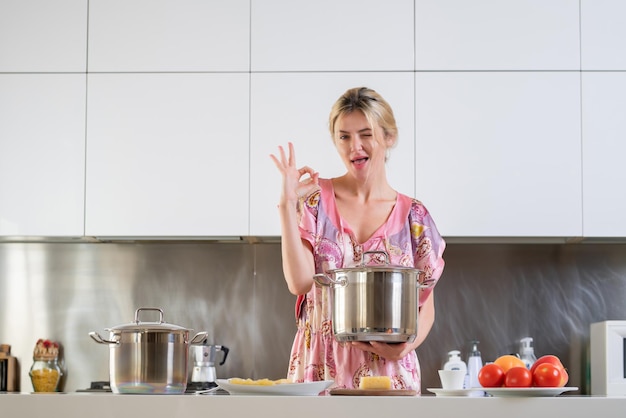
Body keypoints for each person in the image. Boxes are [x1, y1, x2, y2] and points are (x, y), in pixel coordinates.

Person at [270, 87, 445, 393]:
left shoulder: (414, 217)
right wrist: (286, 204)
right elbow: (298, 283)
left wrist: (406, 347)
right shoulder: (314, 202)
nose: (355, 146)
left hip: (387, 373)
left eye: (365, 134)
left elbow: (425, 301)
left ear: (388, 137)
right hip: (320, 369)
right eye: (344, 136)